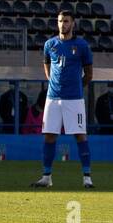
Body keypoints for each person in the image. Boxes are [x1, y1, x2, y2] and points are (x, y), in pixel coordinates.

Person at [32, 10, 95, 188]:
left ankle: (87, 177)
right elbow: (47, 67)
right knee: (49, 136)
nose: (63, 24)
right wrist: (54, 83)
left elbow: (89, 74)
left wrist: (75, 87)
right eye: (60, 21)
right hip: (53, 98)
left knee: (80, 136)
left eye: (66, 21)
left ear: (73, 23)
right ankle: (46, 176)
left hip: (74, 99)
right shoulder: (49, 44)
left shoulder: (81, 45)